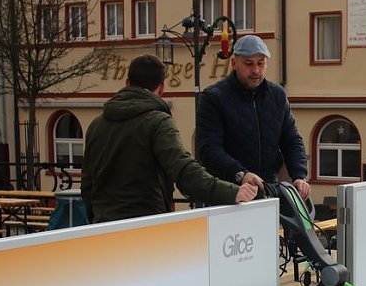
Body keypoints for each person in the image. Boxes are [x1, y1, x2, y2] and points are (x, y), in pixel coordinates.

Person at [82, 54, 258, 223]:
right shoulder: (158, 122)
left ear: (127, 83)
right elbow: (184, 172)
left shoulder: (97, 124)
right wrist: (233, 192)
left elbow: (87, 185)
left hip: (102, 227)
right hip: (144, 225)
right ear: (161, 88)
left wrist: (96, 219)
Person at [197, 35, 310, 200]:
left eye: (261, 63)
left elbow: (292, 140)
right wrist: (241, 174)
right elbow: (209, 150)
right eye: (249, 63)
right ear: (234, 63)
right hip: (228, 193)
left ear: (267, 63)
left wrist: (299, 176)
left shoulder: (277, 95)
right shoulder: (213, 98)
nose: (256, 70)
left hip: (268, 189)